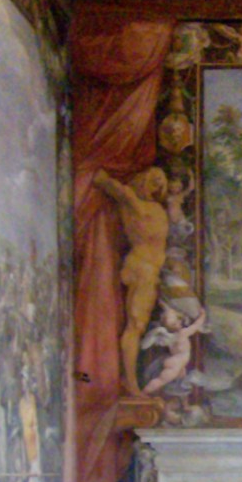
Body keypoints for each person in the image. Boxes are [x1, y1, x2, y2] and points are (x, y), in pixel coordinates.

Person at [94, 167, 173, 393]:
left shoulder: (152, 207)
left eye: (162, 182)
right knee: (136, 327)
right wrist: (104, 179)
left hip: (148, 269)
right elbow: (108, 183)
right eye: (155, 180)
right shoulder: (133, 201)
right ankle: (130, 383)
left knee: (138, 326)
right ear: (144, 179)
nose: (158, 186)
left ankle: (131, 380)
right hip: (143, 269)